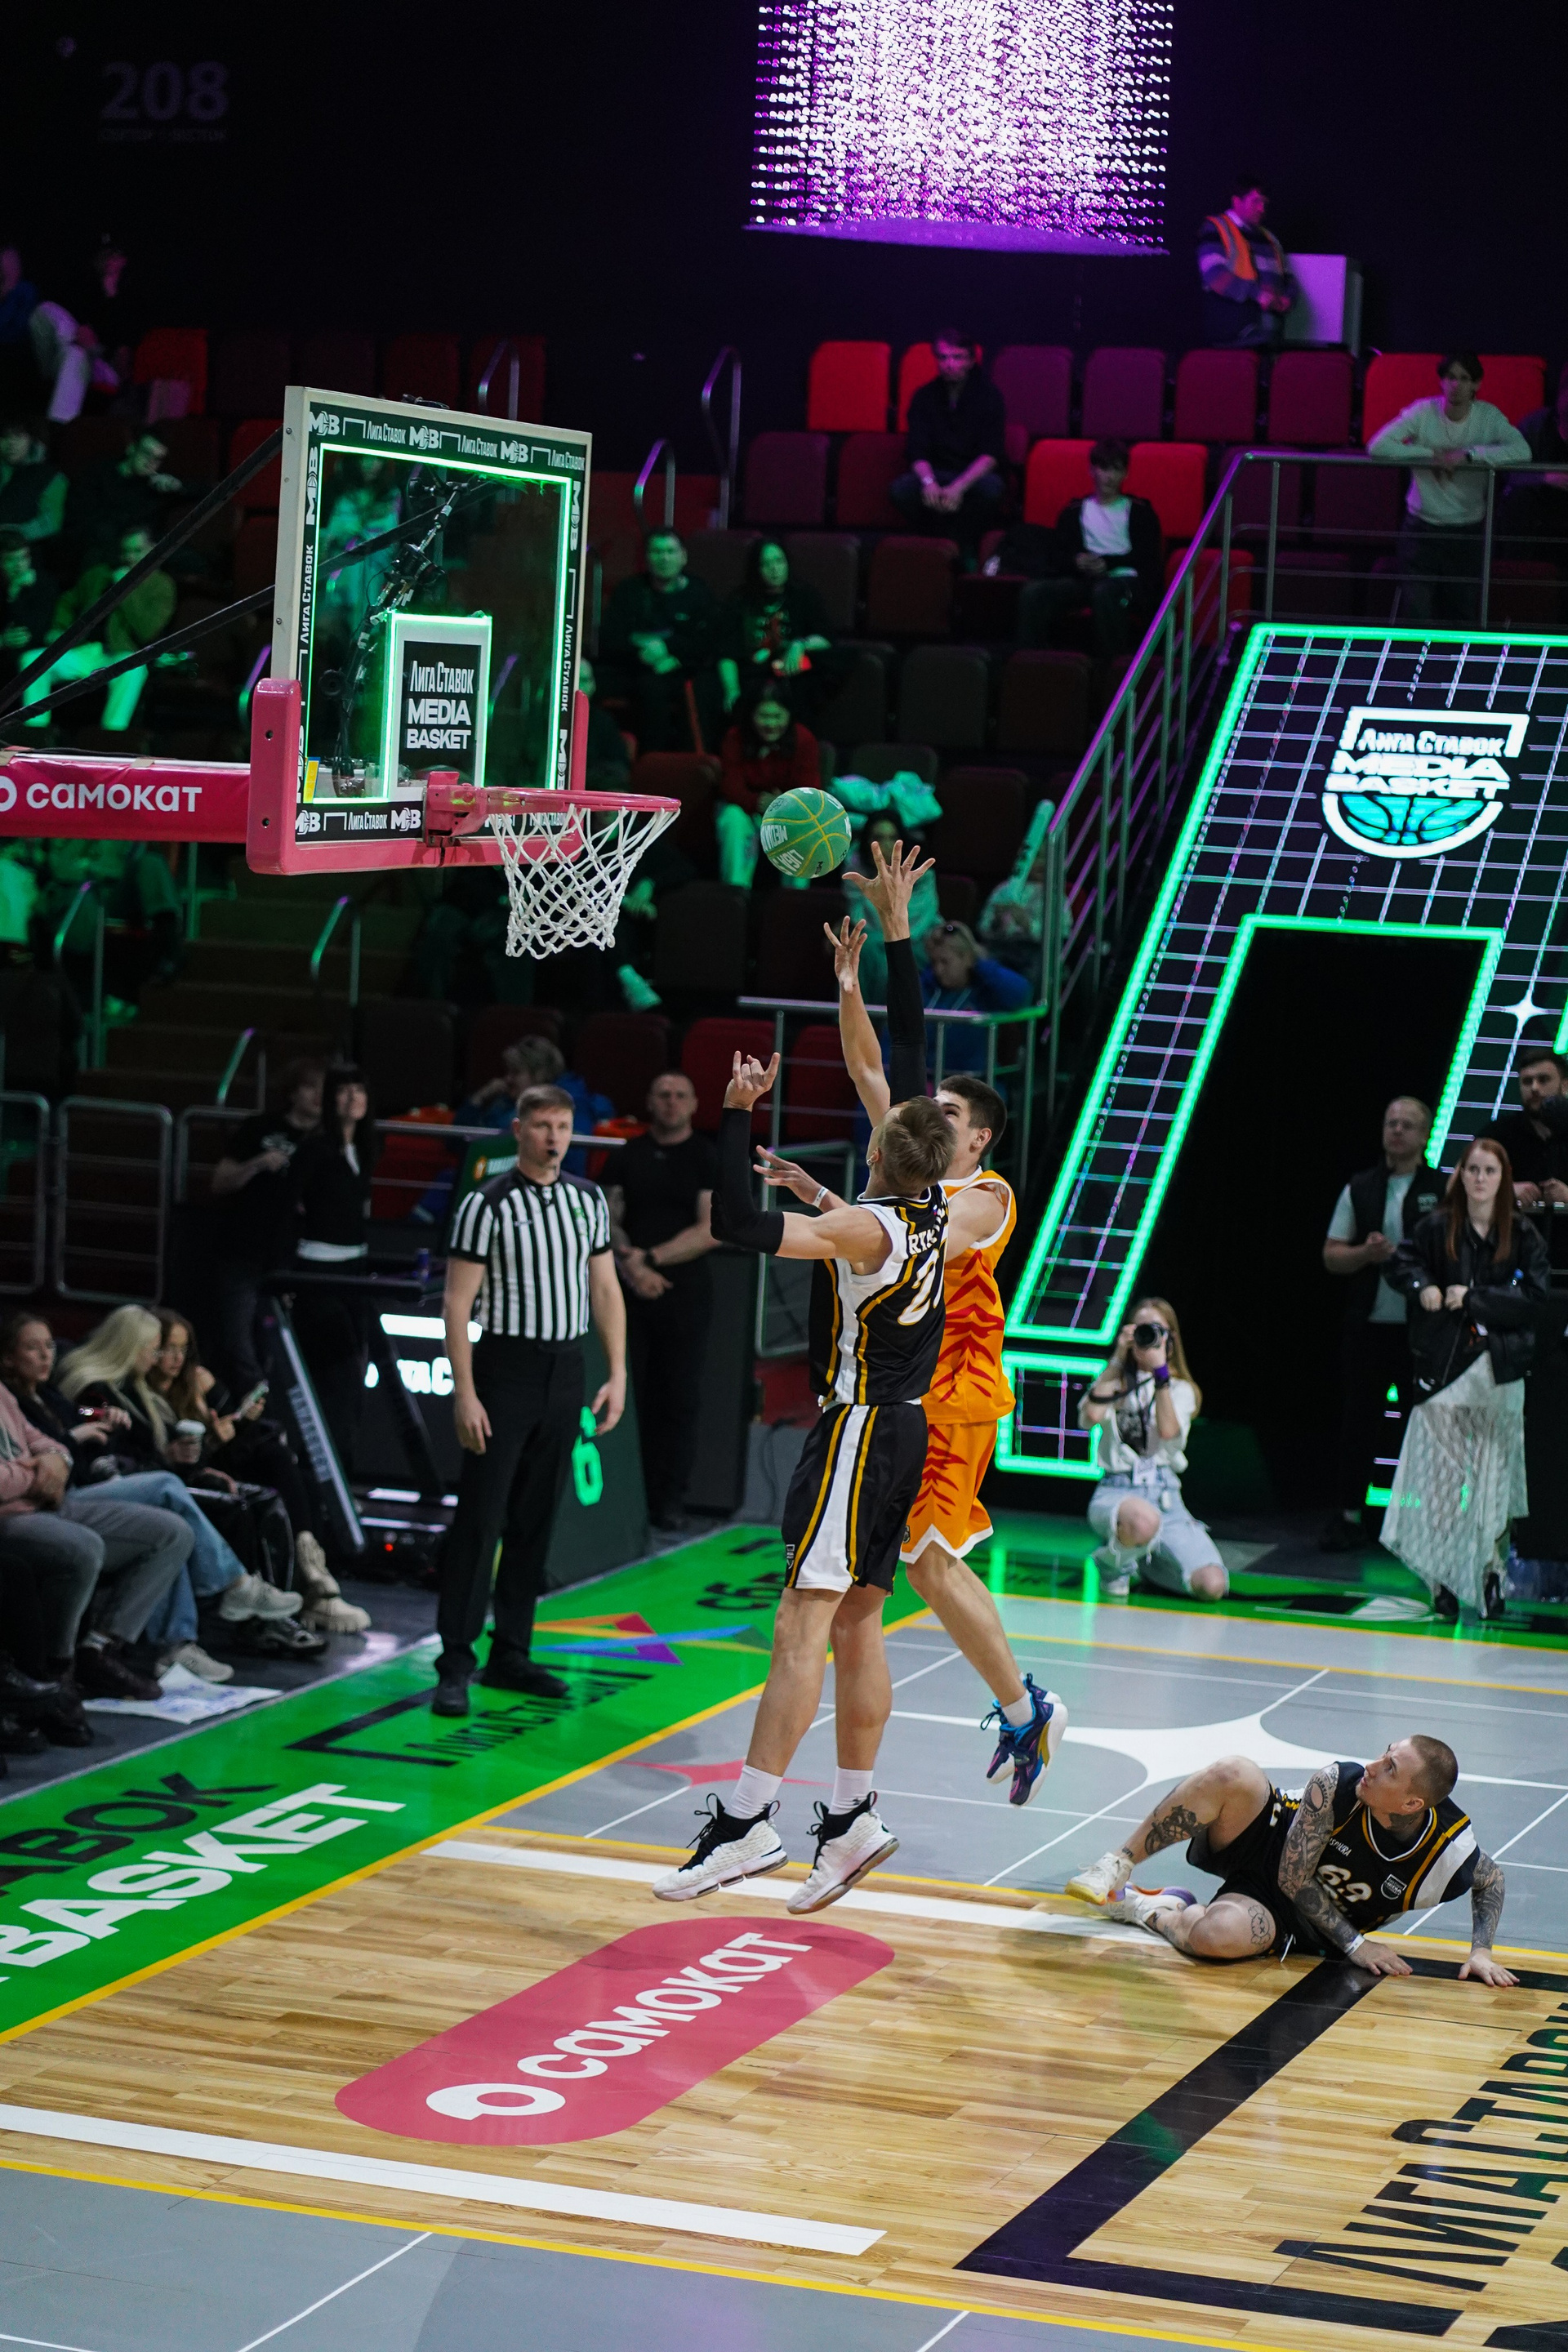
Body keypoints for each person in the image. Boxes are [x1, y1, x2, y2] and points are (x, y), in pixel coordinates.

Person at [761, 861, 1066, 1805]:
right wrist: (852, 984)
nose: (931, 1115)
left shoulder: (985, 1197)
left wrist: (840, 1209)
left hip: (954, 1394)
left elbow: (925, 1222)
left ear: (979, 1140)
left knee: (929, 1561)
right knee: (866, 1599)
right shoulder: (917, 1167)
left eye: (951, 1114)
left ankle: (1025, 1706)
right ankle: (855, 1801)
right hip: (894, 1395)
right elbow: (872, 1067)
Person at [653, 1032, 954, 1912]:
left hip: (857, 1431)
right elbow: (869, 1221)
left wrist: (735, 1112)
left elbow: (734, 1224)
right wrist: (817, 1193)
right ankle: (853, 1814)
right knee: (860, 1622)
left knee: (799, 1624)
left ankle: (747, 1823)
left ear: (879, 1154)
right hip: (907, 1427)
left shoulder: (863, 1227)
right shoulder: (935, 1206)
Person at [434, 1080, 628, 1715]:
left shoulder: (587, 1199)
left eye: (563, 1127)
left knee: (535, 1518)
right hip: (505, 1368)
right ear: (518, 1131)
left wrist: (617, 1371)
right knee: (481, 1518)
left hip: (565, 1367)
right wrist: (465, 1393)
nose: (554, 1138)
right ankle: (455, 1662)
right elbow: (457, 1304)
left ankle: (511, 1652)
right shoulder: (486, 1203)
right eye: (543, 1126)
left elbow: (605, 1289)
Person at [1065, 1740, 1516, 1986]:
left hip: (1289, 1915)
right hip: (1271, 1841)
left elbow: (1491, 1881)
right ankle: (1118, 1862)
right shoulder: (1337, 1783)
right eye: (1385, 1752)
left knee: (1214, 1939)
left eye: (1390, 1768)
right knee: (1234, 1773)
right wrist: (1357, 1946)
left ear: (1412, 1803)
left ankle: (1156, 1909)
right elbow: (1292, 1876)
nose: (1373, 1765)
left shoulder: (1447, 1853)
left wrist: (1481, 1951)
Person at [51, 1305, 311, 1658]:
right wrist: (160, 1455)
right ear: (130, 1346)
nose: (160, 1358)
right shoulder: (94, 1393)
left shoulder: (135, 1390)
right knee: (169, 1495)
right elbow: (88, 1431)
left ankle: (186, 1641)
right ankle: (233, 1591)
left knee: (183, 1521)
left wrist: (195, 1453)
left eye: (174, 1349)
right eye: (155, 1349)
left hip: (132, 1481)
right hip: (90, 1489)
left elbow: (155, 1452)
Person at [1382, 1138, 1548, 1618]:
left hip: (1499, 1369)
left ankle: (1491, 1574)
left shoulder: (1522, 1234)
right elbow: (1401, 1262)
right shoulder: (1437, 1227)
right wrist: (1424, 1286)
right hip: (1444, 1367)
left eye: (1490, 1171)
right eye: (1473, 1169)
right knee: (1438, 1478)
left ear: (1503, 1178)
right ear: (1460, 1175)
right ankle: (1441, 1579)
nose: (1480, 1179)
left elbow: (1535, 1299)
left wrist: (1473, 1299)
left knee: (1495, 1479)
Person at [150, 1312, 366, 1636]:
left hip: (218, 1464)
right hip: (187, 1477)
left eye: (183, 1349)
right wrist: (212, 1442)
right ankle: (281, 1601)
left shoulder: (196, 1381)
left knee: (288, 1468)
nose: (177, 1359)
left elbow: (231, 1435)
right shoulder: (147, 1397)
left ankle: (310, 1577)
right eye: (169, 1348)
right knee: (252, 1496)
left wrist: (241, 1419)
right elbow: (178, 1460)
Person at [0, 1346, 192, 1703]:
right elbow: (68, 1435)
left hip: (57, 1494)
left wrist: (60, 1455)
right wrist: (47, 1466)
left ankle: (100, 1649)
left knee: (173, 1530)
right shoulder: (76, 1390)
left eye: (49, 1346)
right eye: (33, 1347)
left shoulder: (47, 1396)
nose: (46, 1355)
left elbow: (56, 1436)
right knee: (93, 1539)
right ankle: (59, 1669)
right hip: (25, 1508)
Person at [1320, 1097, 1446, 1552]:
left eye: (1407, 1125)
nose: (1397, 1131)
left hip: (1421, 1331)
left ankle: (1417, 1523)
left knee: (1422, 1426)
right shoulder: (1361, 1187)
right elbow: (1332, 1255)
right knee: (1359, 1423)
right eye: (1391, 1123)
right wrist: (1366, 1254)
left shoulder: (1443, 1188)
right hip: (1368, 1327)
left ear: (1425, 1135)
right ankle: (1348, 1517)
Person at [608, 1070, 718, 1533]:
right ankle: (622, 1497)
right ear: (650, 1102)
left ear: (693, 1104)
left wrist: (650, 1259)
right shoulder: (627, 1155)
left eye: (679, 1095)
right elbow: (608, 1219)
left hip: (684, 1293)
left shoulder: (706, 1156)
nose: (671, 1102)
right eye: (663, 1095)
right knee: (627, 1394)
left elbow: (711, 1228)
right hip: (628, 1292)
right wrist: (631, 1266)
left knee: (678, 1399)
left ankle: (669, 1500)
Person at [1079, 1302, 1229, 1600]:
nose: (1147, 1337)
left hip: (1166, 1497)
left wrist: (1160, 1372)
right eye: (1141, 1329)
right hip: (1118, 1491)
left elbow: (1168, 1431)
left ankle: (1139, 1562)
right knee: (1143, 1520)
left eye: (1156, 1330)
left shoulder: (1181, 1389)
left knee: (1212, 1585)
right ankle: (1111, 1565)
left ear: (1171, 1339)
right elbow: (1091, 1416)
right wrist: (1118, 1358)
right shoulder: (1113, 1380)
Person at [1368, 354, 1530, 623]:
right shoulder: (1423, 411)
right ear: (1441, 381)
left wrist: (1468, 456)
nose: (1456, 385)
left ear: (1476, 384)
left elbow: (1523, 451)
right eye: (1451, 378)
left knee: (1461, 615)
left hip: (1466, 531)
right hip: (1421, 528)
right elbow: (1377, 446)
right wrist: (1431, 455)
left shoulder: (1488, 416)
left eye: (1464, 379)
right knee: (1416, 615)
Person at [207, 1057, 325, 1392]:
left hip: (294, 1257)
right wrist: (257, 1164)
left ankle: (277, 1404)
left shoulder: (328, 1141)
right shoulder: (260, 1127)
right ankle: (254, 1401)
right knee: (236, 1336)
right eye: (310, 1087)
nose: (318, 1095)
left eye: (324, 1089)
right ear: (292, 1092)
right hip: (243, 1247)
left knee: (283, 1341)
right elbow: (219, 1182)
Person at [289, 1063, 378, 1473]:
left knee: (356, 1375)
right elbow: (288, 1207)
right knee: (335, 1378)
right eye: (344, 1090)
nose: (353, 1098)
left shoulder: (366, 1147)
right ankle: (323, 1473)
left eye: (360, 1089)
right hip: (317, 1273)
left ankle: (343, 1472)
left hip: (354, 1272)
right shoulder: (314, 1149)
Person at [21, 520, 176, 733]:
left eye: (137, 551)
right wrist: (59, 627)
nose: (130, 557)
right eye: (126, 551)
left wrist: (125, 590)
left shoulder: (161, 585)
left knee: (133, 671)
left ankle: (111, 735)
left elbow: (146, 631)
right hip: (86, 650)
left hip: (122, 654)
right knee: (31, 660)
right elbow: (69, 601)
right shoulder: (99, 574)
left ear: (152, 550)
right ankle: (33, 733)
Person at [1013, 439, 1164, 658]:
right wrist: (1077, 561)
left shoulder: (1141, 512)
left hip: (1125, 580)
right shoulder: (1073, 511)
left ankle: (1111, 668)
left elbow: (1148, 557)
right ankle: (1033, 662)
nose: (1109, 477)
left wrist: (1108, 564)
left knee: (1104, 592)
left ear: (1125, 474)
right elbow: (1057, 555)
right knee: (1033, 593)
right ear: (1092, 470)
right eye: (1104, 468)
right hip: (1085, 579)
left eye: (1116, 470)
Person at [598, 526, 720, 753]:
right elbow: (610, 638)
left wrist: (672, 654)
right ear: (646, 557)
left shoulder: (699, 592)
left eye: (670, 551)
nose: (664, 558)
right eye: (657, 551)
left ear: (683, 557)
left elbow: (709, 641)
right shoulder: (630, 591)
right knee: (647, 688)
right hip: (638, 670)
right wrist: (643, 653)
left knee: (706, 688)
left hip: (686, 670)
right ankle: (649, 762)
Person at [890, 331, 1008, 563]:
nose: (950, 364)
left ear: (971, 361)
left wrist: (958, 487)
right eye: (943, 358)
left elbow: (991, 454)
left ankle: (954, 547)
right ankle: (939, 545)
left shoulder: (990, 397)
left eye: (957, 357)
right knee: (901, 489)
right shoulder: (924, 397)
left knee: (991, 489)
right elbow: (916, 450)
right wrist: (929, 482)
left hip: (972, 477)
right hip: (937, 474)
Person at [717, 537, 840, 723]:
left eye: (779, 561)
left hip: (791, 673)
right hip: (751, 673)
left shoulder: (803, 595)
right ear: (756, 569)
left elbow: (826, 638)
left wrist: (800, 645)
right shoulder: (739, 600)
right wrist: (732, 690)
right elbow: (727, 652)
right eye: (766, 564)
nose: (774, 569)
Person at [716, 680, 822, 889]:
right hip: (747, 811)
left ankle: (794, 897)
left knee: (808, 826)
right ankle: (736, 892)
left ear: (789, 715)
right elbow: (731, 787)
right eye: (764, 716)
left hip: (788, 814)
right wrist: (757, 801)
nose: (771, 724)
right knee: (732, 818)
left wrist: (779, 806)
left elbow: (809, 792)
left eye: (777, 716)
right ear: (751, 715)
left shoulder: (804, 740)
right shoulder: (735, 738)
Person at [842, 815, 940, 1007]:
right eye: (878, 838)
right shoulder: (855, 872)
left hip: (917, 943)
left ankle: (880, 1022)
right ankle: (853, 1019)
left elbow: (913, 927)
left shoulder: (921, 875)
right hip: (874, 943)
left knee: (888, 962)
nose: (885, 845)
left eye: (892, 838)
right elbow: (860, 919)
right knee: (860, 952)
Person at [1488, 1041, 1568, 1275]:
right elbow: (1457, 1186)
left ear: (1565, 1085)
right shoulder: (1498, 1134)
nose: (1534, 1088)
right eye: (1527, 1081)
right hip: (1512, 1262)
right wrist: (1506, 1190)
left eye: (1543, 1080)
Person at [1196, 172, 1297, 347]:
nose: (1261, 209)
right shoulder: (1216, 229)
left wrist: (1289, 297)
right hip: (1231, 336)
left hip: (1269, 334)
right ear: (1237, 201)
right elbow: (1214, 275)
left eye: (1264, 203)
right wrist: (1257, 294)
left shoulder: (1270, 238)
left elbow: (1288, 277)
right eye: (1256, 201)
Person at [921, 920, 1030, 1076]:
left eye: (945, 962)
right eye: (934, 962)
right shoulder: (926, 987)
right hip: (928, 1079)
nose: (938, 970)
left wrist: (979, 964)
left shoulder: (985, 989)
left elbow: (1022, 993)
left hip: (974, 1082)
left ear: (966, 958)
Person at [65, 430, 183, 562]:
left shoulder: (152, 485)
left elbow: (198, 492)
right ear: (132, 449)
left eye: (157, 459)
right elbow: (83, 523)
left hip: (136, 547)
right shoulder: (97, 475)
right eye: (146, 453)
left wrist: (177, 486)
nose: (151, 462)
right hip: (94, 546)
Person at [0, 528, 56, 687]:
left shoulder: (44, 585)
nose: (19, 566)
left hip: (35, 658)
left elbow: (34, 632)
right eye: (10, 560)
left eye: (23, 558)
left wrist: (16, 593)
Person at [0, 420, 67, 546]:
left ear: (31, 439)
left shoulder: (50, 476)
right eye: (4, 436)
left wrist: (11, 537)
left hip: (25, 549)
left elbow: (52, 521)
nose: (11, 443)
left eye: (18, 436)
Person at [578, 654, 631, 790]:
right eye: (573, 681)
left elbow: (619, 771)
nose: (579, 688)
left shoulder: (603, 722)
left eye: (585, 680)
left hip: (592, 791)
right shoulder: (542, 720)